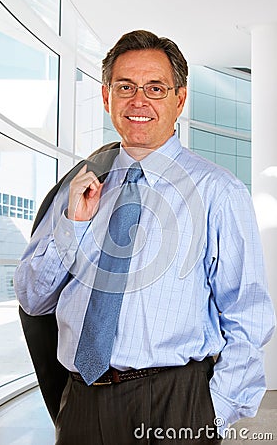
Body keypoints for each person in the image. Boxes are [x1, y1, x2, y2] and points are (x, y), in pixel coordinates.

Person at [14, 30, 275, 444]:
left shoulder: (217, 192)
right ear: (106, 98)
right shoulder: (77, 189)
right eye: (125, 87)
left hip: (176, 401)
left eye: (155, 88)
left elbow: (248, 313)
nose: (139, 101)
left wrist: (212, 411)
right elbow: (33, 299)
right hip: (81, 400)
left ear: (179, 99)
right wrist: (73, 225)